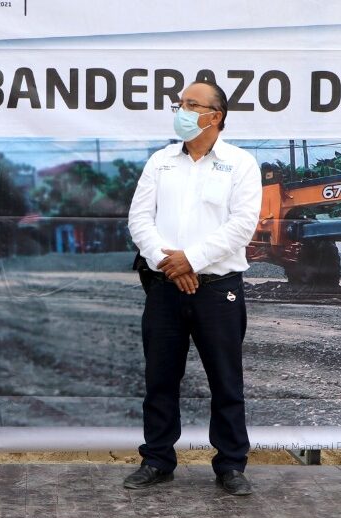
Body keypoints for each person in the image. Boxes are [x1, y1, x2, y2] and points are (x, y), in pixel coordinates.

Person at [124, 80, 263, 496]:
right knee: (160, 377)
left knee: (226, 379)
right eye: (180, 103)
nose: (180, 109)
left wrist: (193, 259)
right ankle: (158, 459)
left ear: (215, 116)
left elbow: (242, 225)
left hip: (218, 290)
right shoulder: (161, 161)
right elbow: (139, 220)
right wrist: (172, 265)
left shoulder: (240, 164)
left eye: (190, 104)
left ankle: (231, 465)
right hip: (166, 287)